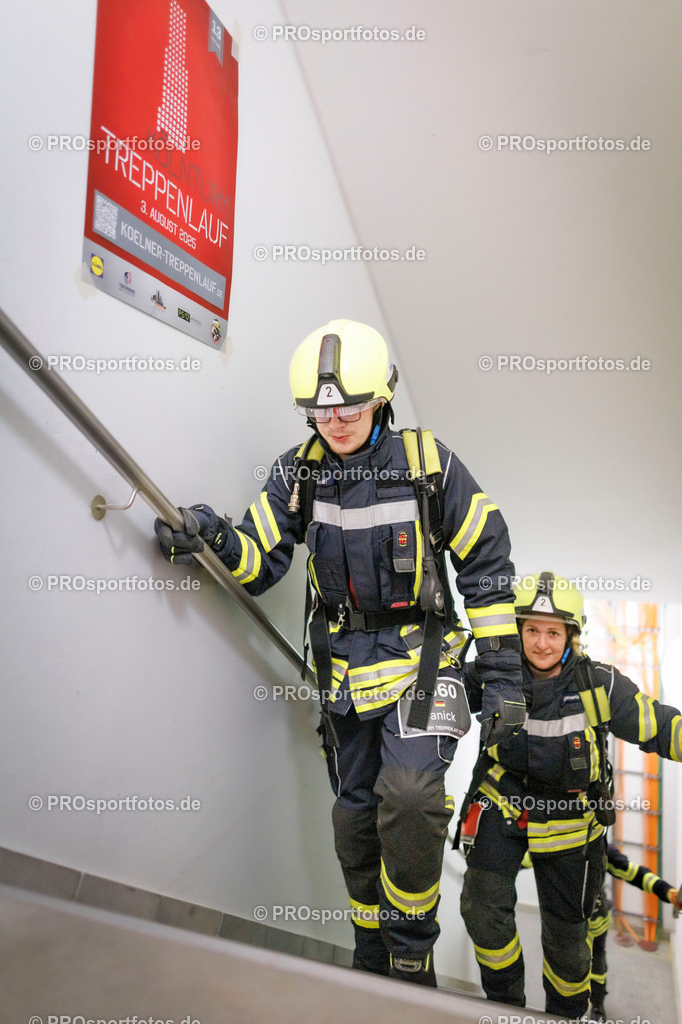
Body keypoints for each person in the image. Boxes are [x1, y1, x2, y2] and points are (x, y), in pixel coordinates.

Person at [155, 319, 525, 985]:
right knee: (355, 817)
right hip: (344, 675)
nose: (335, 422)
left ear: (381, 398)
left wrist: (502, 678)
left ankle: (409, 951)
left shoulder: (429, 464)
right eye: (320, 411)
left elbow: (487, 563)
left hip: (424, 663)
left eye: (349, 409)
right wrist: (209, 537)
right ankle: (370, 947)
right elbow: (257, 560)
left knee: (410, 796)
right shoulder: (297, 473)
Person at [458, 571, 682, 1019]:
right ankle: (505, 1006)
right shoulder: (494, 675)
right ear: (518, 630)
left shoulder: (600, 684)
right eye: (532, 630)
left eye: (553, 632)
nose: (541, 644)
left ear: (571, 636)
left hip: (571, 820)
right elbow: (439, 698)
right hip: (503, 804)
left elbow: (661, 727)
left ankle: (567, 1014)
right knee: (482, 909)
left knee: (567, 941)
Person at [588, 842, 682, 1022]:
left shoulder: (600, 847)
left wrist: (667, 892)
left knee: (597, 966)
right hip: (563, 927)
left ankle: (597, 1005)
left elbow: (634, 873)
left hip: (595, 924)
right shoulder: (552, 843)